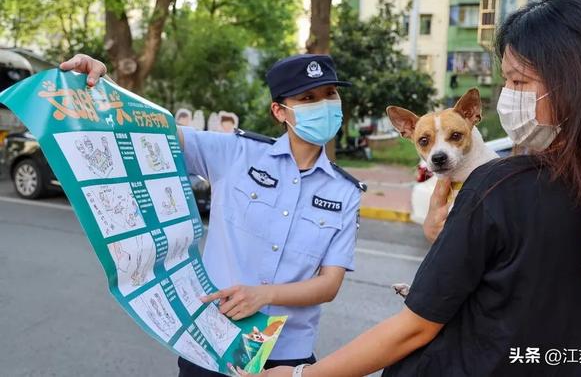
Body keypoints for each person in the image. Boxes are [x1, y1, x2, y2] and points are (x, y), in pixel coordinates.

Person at [259, 0, 581, 376]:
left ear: (575, 86)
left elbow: (414, 328)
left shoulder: (499, 187)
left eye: (518, 81)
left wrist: (299, 374)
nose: (507, 96)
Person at [59, 54, 366, 376]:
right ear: (279, 111)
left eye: (331, 93)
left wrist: (265, 295)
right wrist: (101, 88)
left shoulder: (345, 191)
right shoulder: (236, 153)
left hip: (288, 357)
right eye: (308, 98)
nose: (324, 104)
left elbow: (329, 284)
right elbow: (151, 131)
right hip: (213, 343)